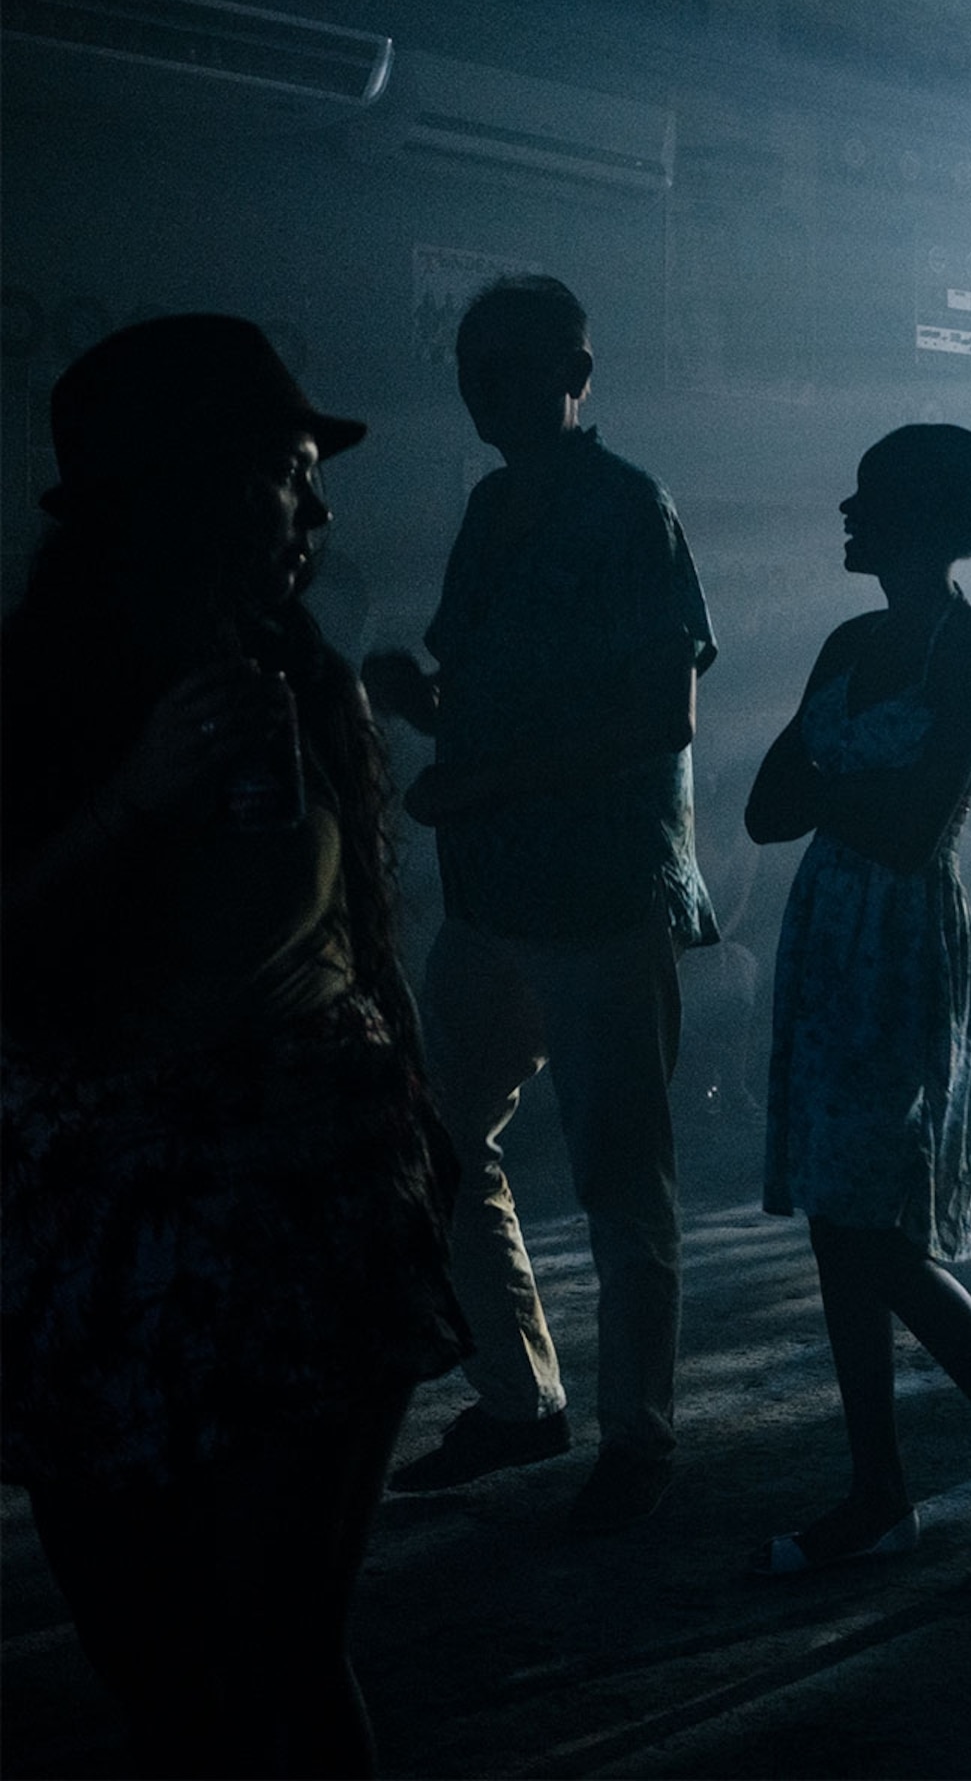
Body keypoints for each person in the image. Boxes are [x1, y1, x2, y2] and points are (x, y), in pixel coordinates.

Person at [2, 317, 468, 1774]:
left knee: (280, 1653)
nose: (316, 510)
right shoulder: (42, 696)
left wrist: (421, 1118)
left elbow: (362, 931)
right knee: (155, 1666)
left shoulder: (301, 675)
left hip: (310, 1210)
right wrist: (135, 799)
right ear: (186, 489)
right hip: (106, 1228)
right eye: (287, 472)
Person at [366, 275, 718, 1532]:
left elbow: (662, 718)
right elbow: (491, 705)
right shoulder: (497, 507)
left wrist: (475, 776)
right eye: (472, 371)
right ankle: (534, 1407)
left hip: (597, 892)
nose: (481, 392)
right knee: (442, 1140)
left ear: (576, 374)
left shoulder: (628, 508)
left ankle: (626, 1433)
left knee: (617, 1180)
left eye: (503, 369)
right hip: (508, 892)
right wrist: (422, 705)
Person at [743, 424, 971, 1582]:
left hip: (896, 947)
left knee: (872, 1235)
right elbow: (766, 810)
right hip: (831, 936)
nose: (847, 512)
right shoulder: (853, 641)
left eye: (868, 498)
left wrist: (836, 787)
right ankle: (879, 1490)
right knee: (840, 1230)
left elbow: (909, 833)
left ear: (921, 523)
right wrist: (857, 792)